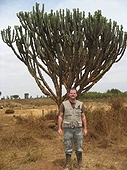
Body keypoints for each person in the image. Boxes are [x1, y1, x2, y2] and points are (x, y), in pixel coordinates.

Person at [58, 88, 87, 170]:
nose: (73, 95)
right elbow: (60, 116)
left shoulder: (81, 104)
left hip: (78, 129)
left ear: (76, 94)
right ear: (69, 94)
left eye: (74, 93)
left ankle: (80, 165)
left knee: (79, 147)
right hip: (67, 129)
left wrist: (85, 129)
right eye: (71, 93)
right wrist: (59, 128)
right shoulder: (64, 104)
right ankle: (68, 165)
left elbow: (83, 117)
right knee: (67, 147)